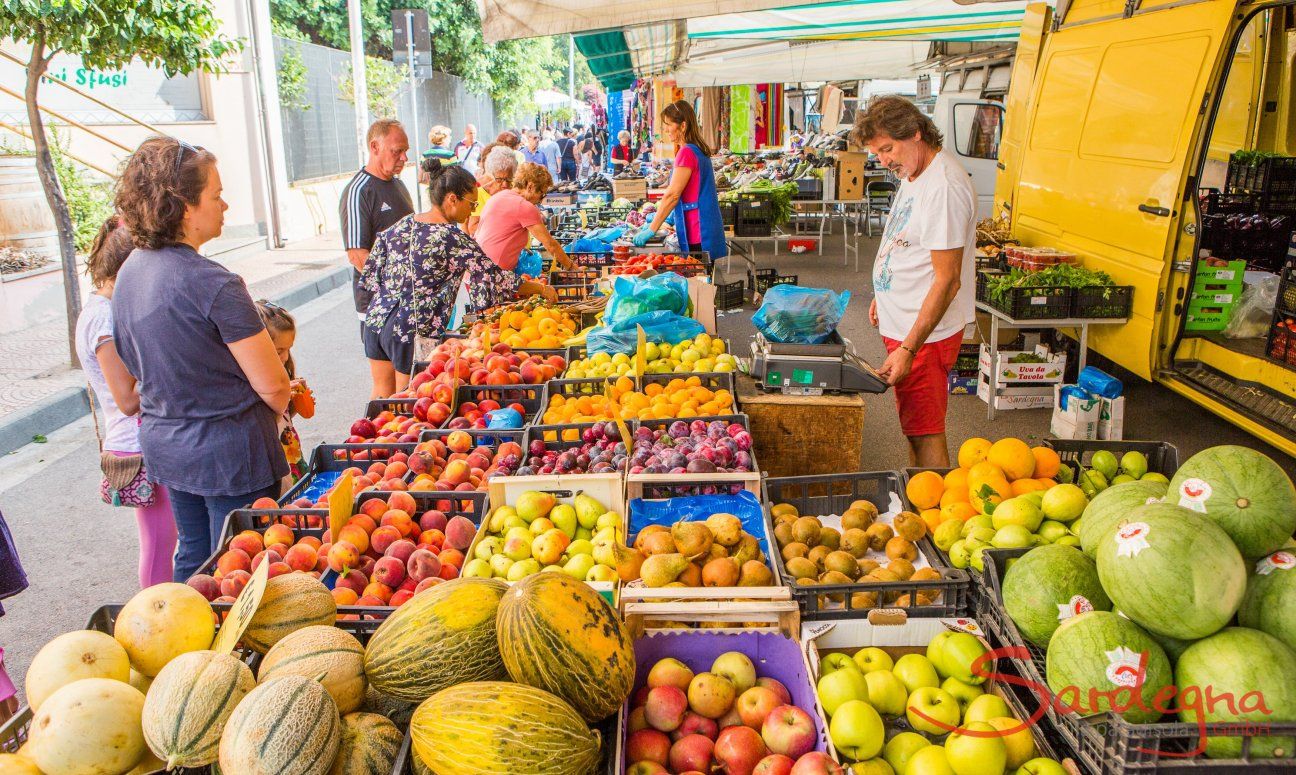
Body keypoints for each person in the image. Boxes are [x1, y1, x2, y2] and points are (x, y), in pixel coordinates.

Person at [112, 136, 291, 582]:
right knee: (237, 567)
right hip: (232, 453)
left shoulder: (130, 269)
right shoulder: (216, 283)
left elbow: (134, 363)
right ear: (185, 207)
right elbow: (274, 386)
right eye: (216, 195)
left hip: (168, 444)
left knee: (193, 555)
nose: (225, 205)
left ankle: (185, 639)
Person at [851, 95, 976, 468]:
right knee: (913, 426)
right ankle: (920, 501)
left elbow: (947, 281)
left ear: (916, 132)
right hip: (904, 325)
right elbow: (907, 241)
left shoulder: (944, 187)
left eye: (888, 148)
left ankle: (935, 513)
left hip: (923, 337)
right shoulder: (915, 172)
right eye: (877, 153)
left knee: (925, 430)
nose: (885, 161)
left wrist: (908, 349)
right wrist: (883, 292)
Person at [360, 159, 557, 392]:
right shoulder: (452, 238)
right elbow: (495, 278)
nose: (472, 211)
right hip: (411, 328)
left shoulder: (401, 225)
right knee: (407, 400)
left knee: (382, 396)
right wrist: (540, 289)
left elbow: (371, 273)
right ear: (452, 199)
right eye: (472, 204)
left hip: (377, 320)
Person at [75, 216, 176, 588]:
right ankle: (156, 615)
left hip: (146, 440)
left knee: (166, 540)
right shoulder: (103, 317)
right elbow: (128, 399)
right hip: (138, 445)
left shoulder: (106, 309)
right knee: (160, 543)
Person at [340, 119, 415, 380]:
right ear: (375, 146)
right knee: (388, 384)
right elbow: (357, 255)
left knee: (407, 382)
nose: (404, 157)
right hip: (378, 303)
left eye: (406, 150)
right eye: (397, 150)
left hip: (406, 299)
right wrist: (391, 289)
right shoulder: (359, 190)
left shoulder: (399, 185)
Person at [634, 100, 729, 265]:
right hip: (705, 226)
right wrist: (668, 217)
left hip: (697, 229)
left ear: (683, 125)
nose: (666, 129)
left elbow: (672, 195)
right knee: (705, 281)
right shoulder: (698, 150)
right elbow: (690, 191)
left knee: (699, 283)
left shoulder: (686, 153)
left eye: (669, 124)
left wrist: (652, 229)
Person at [476, 163, 577, 272]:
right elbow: (550, 244)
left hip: (478, 268)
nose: (540, 200)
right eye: (542, 194)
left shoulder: (499, 196)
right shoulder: (523, 206)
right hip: (493, 274)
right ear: (530, 187)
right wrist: (572, 268)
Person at [256, 300, 315, 484]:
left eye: (289, 349)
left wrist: (297, 404)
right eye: (280, 350)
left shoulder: (283, 374)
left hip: (293, 454)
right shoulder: (259, 381)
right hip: (278, 459)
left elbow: (285, 417)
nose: (286, 356)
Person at [467, 146, 518, 237]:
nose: (505, 184)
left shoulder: (517, 190)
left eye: (509, 179)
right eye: (499, 179)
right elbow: (473, 227)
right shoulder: (480, 194)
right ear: (491, 175)